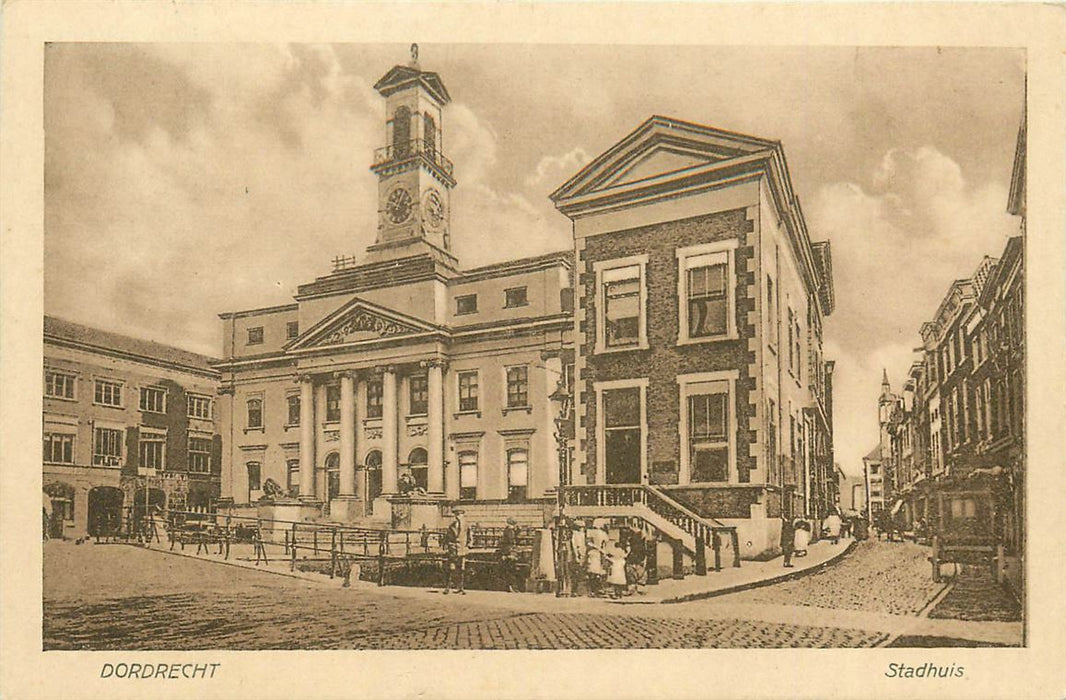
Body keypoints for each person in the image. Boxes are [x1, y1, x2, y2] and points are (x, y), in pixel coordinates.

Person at [443, 508, 471, 594]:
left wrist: (468, 545)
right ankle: (447, 587)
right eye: (456, 515)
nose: (458, 516)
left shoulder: (466, 525)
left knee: (461, 569)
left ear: (463, 515)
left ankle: (461, 587)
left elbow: (470, 536)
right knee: (451, 568)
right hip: (453, 548)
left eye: (460, 514)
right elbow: (447, 537)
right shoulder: (452, 525)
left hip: (462, 548)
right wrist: (449, 544)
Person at [584, 519, 608, 597]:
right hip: (597, 553)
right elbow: (604, 545)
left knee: (594, 572)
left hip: (594, 553)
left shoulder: (590, 532)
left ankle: (594, 589)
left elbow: (588, 543)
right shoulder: (603, 533)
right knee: (596, 572)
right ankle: (596, 589)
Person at [624, 523, 648, 596]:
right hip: (638, 556)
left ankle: (634, 588)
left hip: (636, 556)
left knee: (635, 572)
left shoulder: (635, 539)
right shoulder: (640, 539)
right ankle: (636, 588)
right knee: (638, 572)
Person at [497, 517, 520, 592]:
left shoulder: (508, 530)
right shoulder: (509, 531)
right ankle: (511, 587)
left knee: (509, 569)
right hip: (509, 552)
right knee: (510, 569)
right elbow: (511, 540)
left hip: (507, 552)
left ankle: (509, 587)